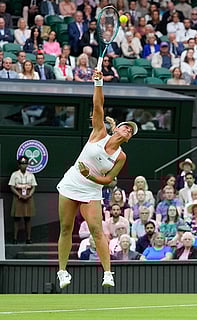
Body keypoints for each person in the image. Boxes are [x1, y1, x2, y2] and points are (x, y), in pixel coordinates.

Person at [56, 70, 138, 289]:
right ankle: (62, 272)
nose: (128, 130)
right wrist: (98, 82)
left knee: (96, 229)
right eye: (126, 126)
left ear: (128, 138)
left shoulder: (120, 157)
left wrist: (90, 175)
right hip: (71, 183)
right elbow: (98, 105)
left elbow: (109, 180)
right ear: (117, 127)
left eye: (131, 131)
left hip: (91, 189)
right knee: (66, 227)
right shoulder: (100, 131)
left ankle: (108, 274)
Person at [9, 156, 37, 244]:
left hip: (28, 195)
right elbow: (12, 186)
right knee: (16, 218)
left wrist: (29, 195)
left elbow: (33, 186)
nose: (23, 166)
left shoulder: (31, 175)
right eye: (22, 164)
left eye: (25, 164)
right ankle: (15, 238)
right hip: (18, 195)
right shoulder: (15, 174)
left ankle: (28, 239)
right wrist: (19, 195)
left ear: (27, 165)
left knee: (28, 218)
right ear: (19, 165)